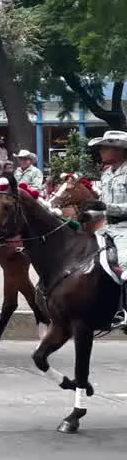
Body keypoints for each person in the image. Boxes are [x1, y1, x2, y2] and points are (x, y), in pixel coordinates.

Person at [84, 130, 127, 327]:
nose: (101, 151)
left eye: (106, 147)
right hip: (106, 228)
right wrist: (86, 214)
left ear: (119, 150)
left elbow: (109, 206)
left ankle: (124, 312)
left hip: (125, 230)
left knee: (125, 267)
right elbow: (102, 206)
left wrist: (105, 207)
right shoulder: (107, 173)